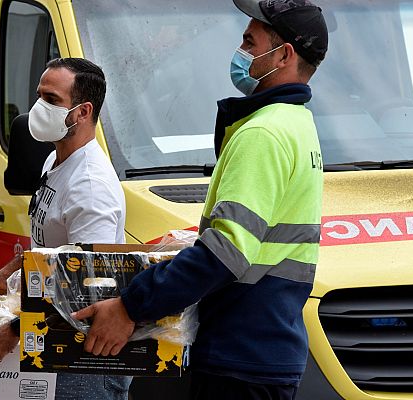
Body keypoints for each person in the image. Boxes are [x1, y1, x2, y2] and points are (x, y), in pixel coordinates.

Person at [72, 1, 328, 399]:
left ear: (284, 54)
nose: (240, 50)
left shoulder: (264, 134)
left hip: (240, 356)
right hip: (267, 348)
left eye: (250, 40)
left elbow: (224, 253)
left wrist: (129, 306)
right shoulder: (298, 124)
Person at [0, 57, 131, 400]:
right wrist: (5, 274)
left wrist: (14, 330)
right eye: (39, 96)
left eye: (51, 100)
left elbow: (84, 284)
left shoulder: (90, 187)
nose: (38, 108)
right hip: (54, 341)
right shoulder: (56, 160)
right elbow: (56, 252)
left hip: (84, 360)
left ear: (82, 111)